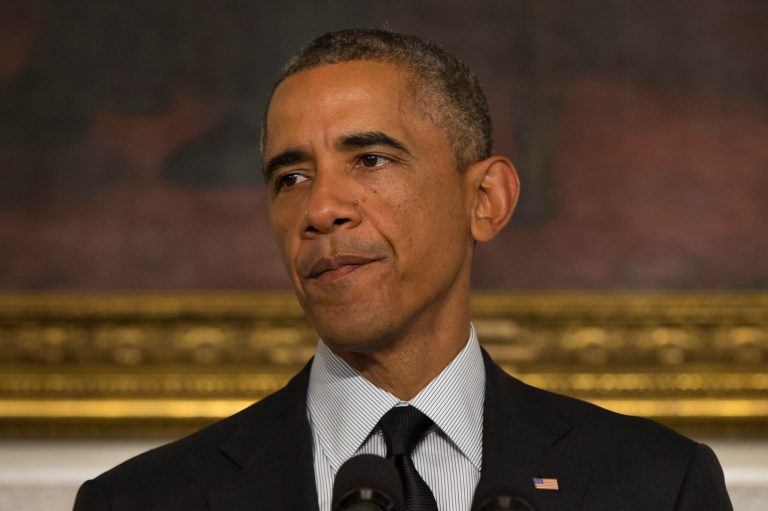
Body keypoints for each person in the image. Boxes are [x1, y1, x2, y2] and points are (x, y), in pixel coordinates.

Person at [73, 28, 732, 511]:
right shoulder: (141, 501)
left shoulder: (656, 485)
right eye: (291, 176)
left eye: (370, 160)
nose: (321, 207)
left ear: (485, 200)